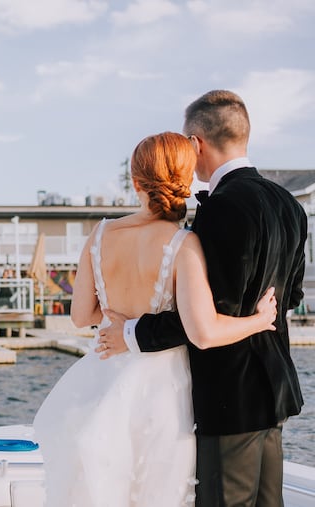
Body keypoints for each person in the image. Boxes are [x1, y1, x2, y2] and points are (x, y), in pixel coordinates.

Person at [33, 131, 278, 506]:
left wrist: (115, 314)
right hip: (161, 391)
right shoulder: (183, 244)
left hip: (102, 377)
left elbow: (81, 316)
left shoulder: (99, 235)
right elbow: (205, 332)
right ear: (186, 179)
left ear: (135, 183)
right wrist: (259, 321)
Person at [99, 91, 307, 507]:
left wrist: (131, 332)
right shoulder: (289, 205)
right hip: (276, 389)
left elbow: (207, 317)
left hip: (230, 395)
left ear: (196, 144)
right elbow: (292, 296)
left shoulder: (223, 208)